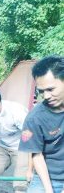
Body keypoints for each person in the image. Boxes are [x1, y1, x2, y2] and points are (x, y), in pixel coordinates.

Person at [19, 55, 64, 193]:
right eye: (41, 91)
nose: (46, 96)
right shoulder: (35, 118)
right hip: (46, 177)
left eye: (50, 89)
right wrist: (49, 191)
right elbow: (36, 156)